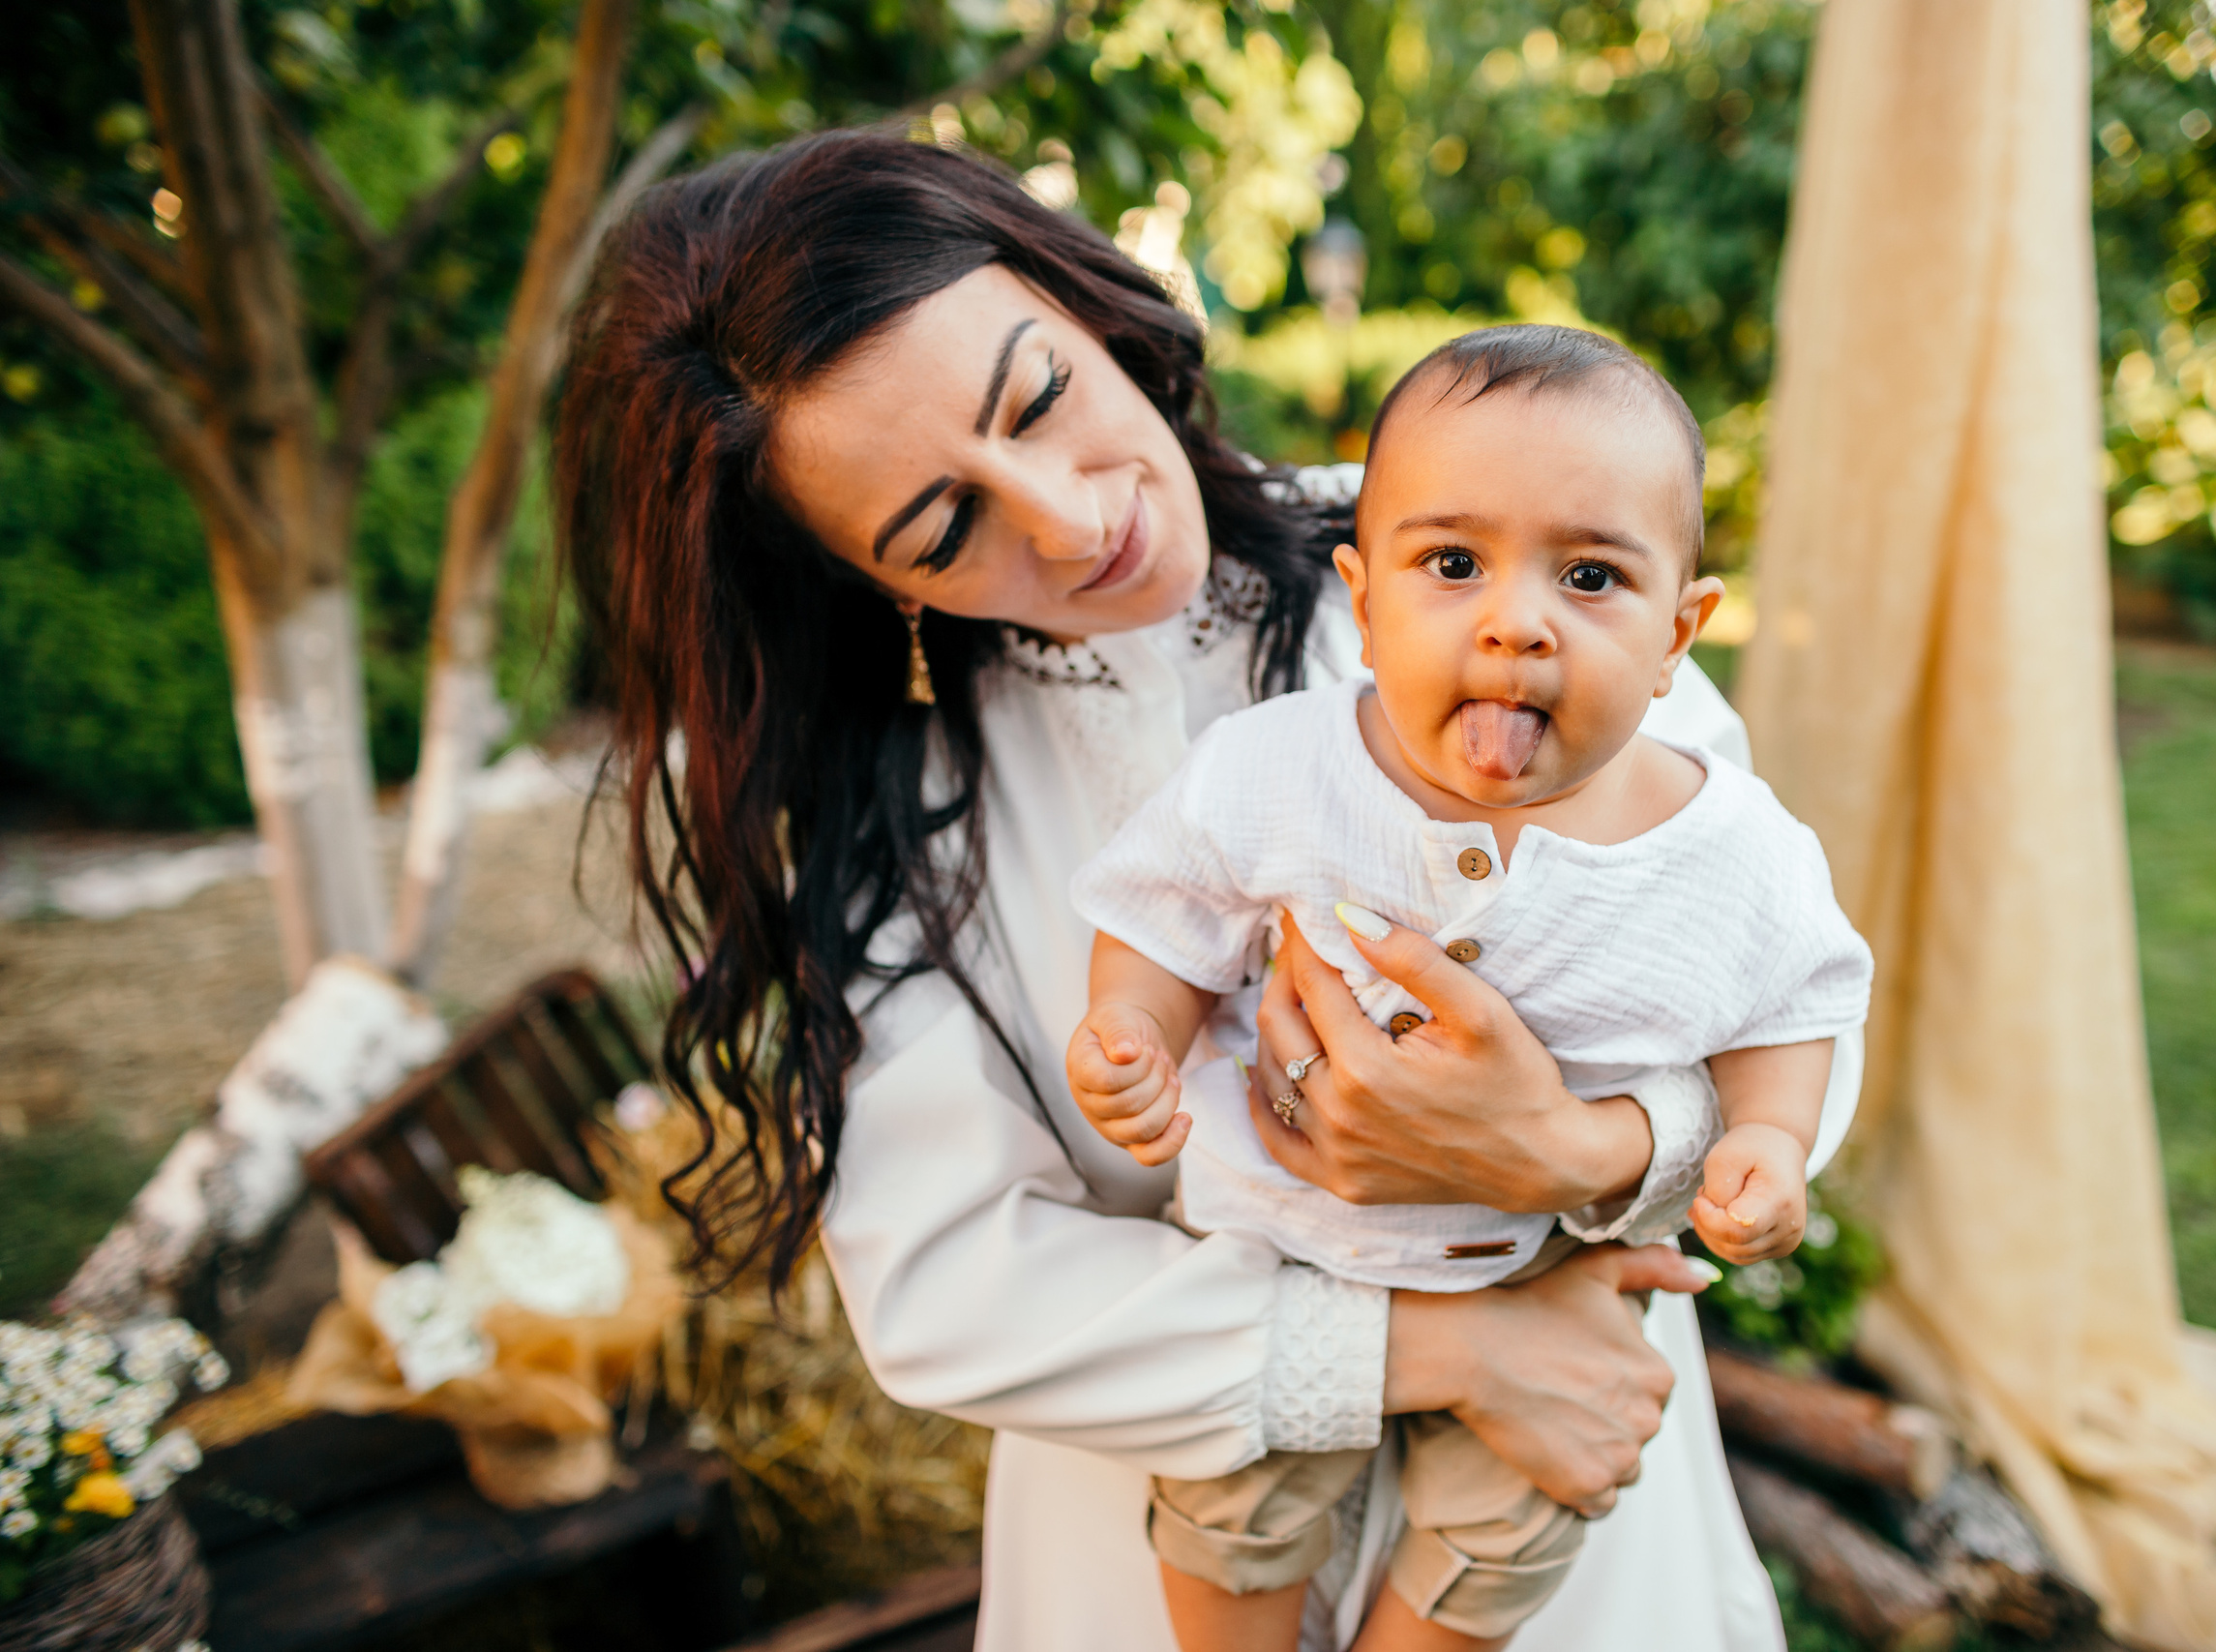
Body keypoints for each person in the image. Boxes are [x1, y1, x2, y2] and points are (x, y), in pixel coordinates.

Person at [555, 129, 1859, 1651]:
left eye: (1038, 397)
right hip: (1154, 1549)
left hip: (1570, 1520)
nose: (1070, 516)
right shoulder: (891, 824)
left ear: (1079, 297)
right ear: (875, 582)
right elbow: (945, 1287)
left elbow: (1777, 988)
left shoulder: (1498, 548)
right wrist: (1442, 1350)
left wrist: (1576, 1148)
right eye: (946, 527)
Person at [1064, 326, 1872, 1651]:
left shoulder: (1730, 846)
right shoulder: (1276, 769)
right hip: (1287, 1251)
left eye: (1592, 575)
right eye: (1451, 565)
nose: (1516, 620)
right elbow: (1164, 910)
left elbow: (1796, 1004)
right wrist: (1132, 1033)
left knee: (1517, 1518)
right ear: (1364, 602)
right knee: (1234, 1509)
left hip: (1549, 1282)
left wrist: (1770, 1144)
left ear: (1680, 634)